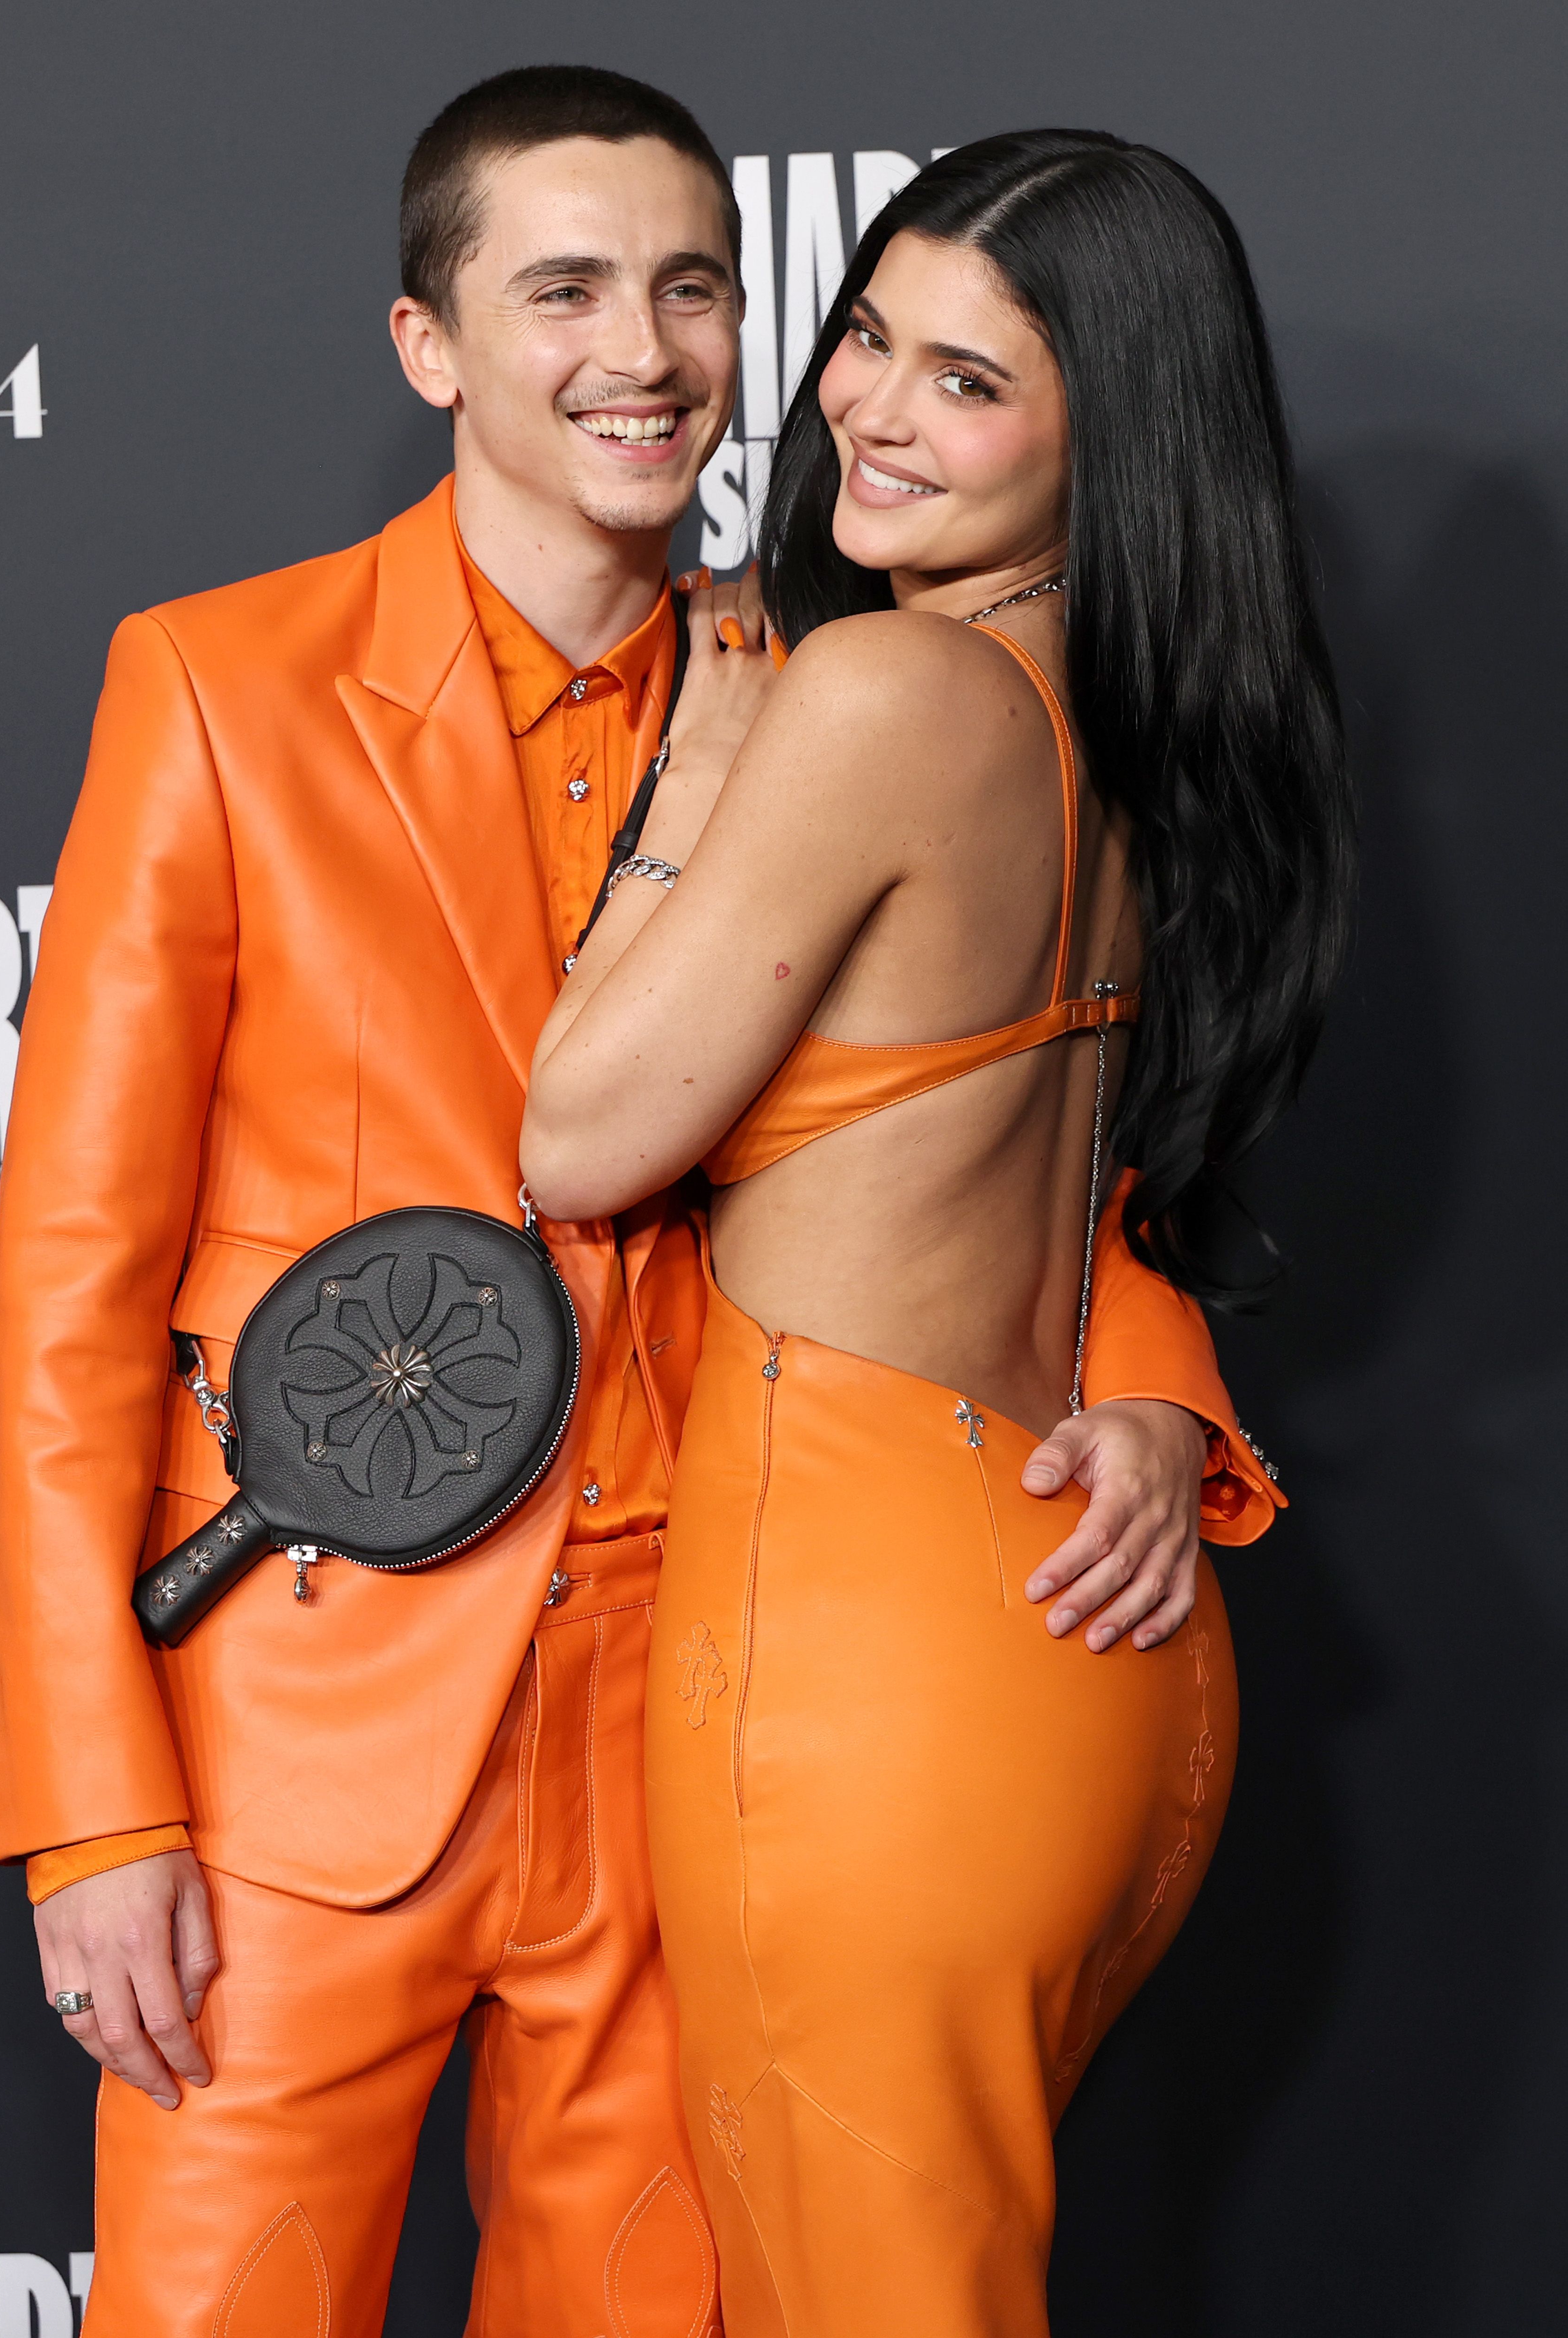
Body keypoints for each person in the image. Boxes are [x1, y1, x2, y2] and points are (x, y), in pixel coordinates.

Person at [0, 72, 1280, 2338]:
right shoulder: (217, 687)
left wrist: (1154, 1394)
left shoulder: (840, 680)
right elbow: (69, 1291)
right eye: (561, 288)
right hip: (303, 1737)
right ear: (429, 346)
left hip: (702, 1732)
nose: (645, 350)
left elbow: (1021, 1122)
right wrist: (93, 1809)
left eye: (693, 285)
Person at [523, 128, 1349, 2336]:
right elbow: (1094, 1197)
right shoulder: (1137, 747)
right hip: (1087, 1662)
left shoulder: (884, 695)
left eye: (966, 383)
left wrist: (703, 773)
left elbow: (581, 1131)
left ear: (1115, 439)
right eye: (865, 339)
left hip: (860, 1664)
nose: (870, 412)